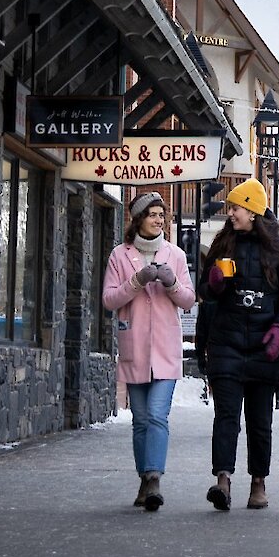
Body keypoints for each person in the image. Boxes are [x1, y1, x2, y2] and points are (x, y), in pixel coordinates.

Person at [198, 178, 279, 512]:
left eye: (236, 208)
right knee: (226, 416)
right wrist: (214, 283)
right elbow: (206, 292)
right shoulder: (222, 243)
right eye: (229, 207)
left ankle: (258, 482)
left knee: (260, 421)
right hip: (227, 342)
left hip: (263, 346)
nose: (230, 214)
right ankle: (223, 480)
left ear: (253, 211)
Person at [101, 192, 195, 512]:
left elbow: (187, 300)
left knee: (157, 415)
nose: (158, 219)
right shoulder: (119, 256)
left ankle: (154, 477)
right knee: (140, 420)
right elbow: (110, 300)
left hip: (165, 351)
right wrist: (137, 281)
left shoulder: (176, 255)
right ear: (138, 219)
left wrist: (170, 284)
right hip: (135, 348)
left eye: (161, 214)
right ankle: (144, 479)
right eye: (152, 214)